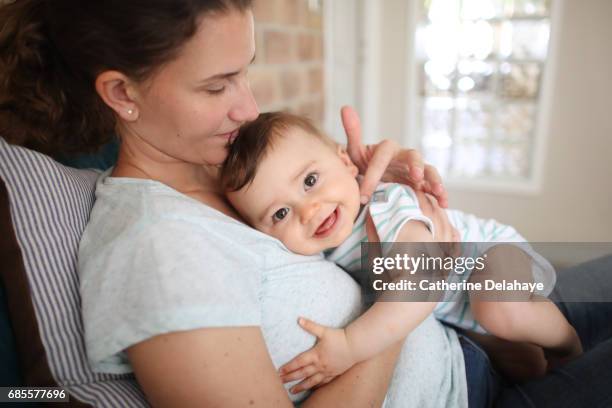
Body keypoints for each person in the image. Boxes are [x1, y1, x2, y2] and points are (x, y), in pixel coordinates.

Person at [1, 1, 610, 407]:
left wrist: (366, 185)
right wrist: (402, 295)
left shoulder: (229, 170)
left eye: (245, 73)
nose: (247, 107)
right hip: (472, 382)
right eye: (216, 86)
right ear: (121, 94)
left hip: (483, 319)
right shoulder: (157, 244)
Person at [221, 111, 583, 386]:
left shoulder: (383, 208)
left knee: (501, 311)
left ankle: (568, 343)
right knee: (518, 363)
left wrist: (350, 345)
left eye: (310, 181)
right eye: (280, 213)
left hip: (489, 255)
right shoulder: (317, 251)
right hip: (458, 307)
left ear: (345, 162)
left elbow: (422, 285)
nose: (309, 210)